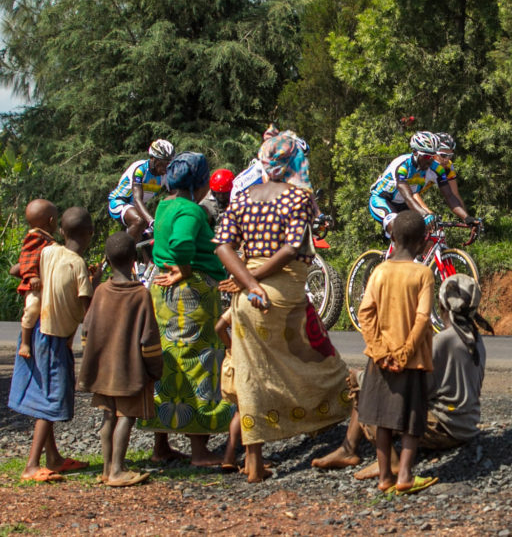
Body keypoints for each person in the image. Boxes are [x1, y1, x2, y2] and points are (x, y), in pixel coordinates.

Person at [214, 133, 352, 483]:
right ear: (295, 164)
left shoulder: (242, 197)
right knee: (324, 362)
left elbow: (222, 247)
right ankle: (339, 425)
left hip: (247, 301)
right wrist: (258, 279)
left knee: (252, 375)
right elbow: (292, 249)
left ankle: (254, 463)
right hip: (285, 295)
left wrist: (247, 283)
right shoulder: (298, 197)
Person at [312, 273, 492, 475]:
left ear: (441, 306)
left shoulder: (444, 341)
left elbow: (420, 386)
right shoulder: (475, 339)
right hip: (467, 424)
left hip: (445, 427)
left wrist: (363, 379)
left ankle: (387, 461)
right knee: (368, 380)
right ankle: (348, 448)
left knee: (369, 392)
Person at [137, 152, 233, 467]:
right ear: (197, 183)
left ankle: (160, 445)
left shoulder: (164, 206)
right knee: (197, 362)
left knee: (167, 363)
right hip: (190, 295)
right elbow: (180, 244)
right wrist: (186, 269)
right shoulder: (191, 211)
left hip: (163, 294)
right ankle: (200, 451)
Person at [8, 207, 97, 482]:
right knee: (49, 400)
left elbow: (17, 269)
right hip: (56, 338)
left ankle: (53, 458)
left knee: (44, 391)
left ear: (60, 231)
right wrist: (96, 283)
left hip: (36, 333)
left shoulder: (48, 251)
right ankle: (31, 465)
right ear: (90, 236)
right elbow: (87, 312)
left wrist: (33, 282)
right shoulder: (78, 264)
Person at [356, 210, 438, 495]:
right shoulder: (423, 273)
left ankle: (384, 477)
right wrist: (404, 353)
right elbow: (422, 317)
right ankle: (405, 474)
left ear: (392, 237)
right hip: (411, 360)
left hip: (380, 361)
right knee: (412, 421)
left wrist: (380, 351)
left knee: (382, 419)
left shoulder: (379, 271)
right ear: (423, 243)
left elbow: (365, 314)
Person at [77, 231, 162, 487]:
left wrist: (91, 360)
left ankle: (106, 469)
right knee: (126, 416)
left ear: (108, 260)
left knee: (108, 416)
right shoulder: (140, 295)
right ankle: (117, 470)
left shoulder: (101, 291)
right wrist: (155, 369)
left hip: (102, 368)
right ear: (134, 259)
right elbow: (148, 340)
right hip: (129, 371)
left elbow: (87, 330)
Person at [369, 132, 477, 237]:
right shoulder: (402, 165)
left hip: (404, 205)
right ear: (415, 152)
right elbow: (409, 197)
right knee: (398, 230)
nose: (429, 161)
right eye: (426, 157)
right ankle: (394, 255)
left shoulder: (437, 169)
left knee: (429, 233)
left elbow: (450, 196)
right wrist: (425, 214)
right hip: (383, 200)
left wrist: (467, 218)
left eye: (432, 156)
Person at [10, 199, 59, 360]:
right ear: (51, 220)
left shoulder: (46, 238)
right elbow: (27, 259)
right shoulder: (36, 237)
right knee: (31, 310)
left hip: (41, 286)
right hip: (33, 286)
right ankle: (25, 342)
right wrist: (32, 276)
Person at [107, 139, 175, 240]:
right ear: (153, 158)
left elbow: (175, 196)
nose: (166, 167)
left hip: (136, 208)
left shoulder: (165, 174)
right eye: (163, 163)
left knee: (151, 237)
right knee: (139, 221)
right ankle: (126, 253)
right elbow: (137, 199)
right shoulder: (140, 169)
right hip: (119, 202)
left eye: (169, 163)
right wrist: (151, 221)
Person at [213, 309, 243, 472]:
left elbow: (219, 327)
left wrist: (231, 347)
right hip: (254, 362)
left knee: (240, 411)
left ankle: (229, 457)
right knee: (251, 411)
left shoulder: (236, 305)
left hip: (236, 361)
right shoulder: (256, 300)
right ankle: (252, 457)